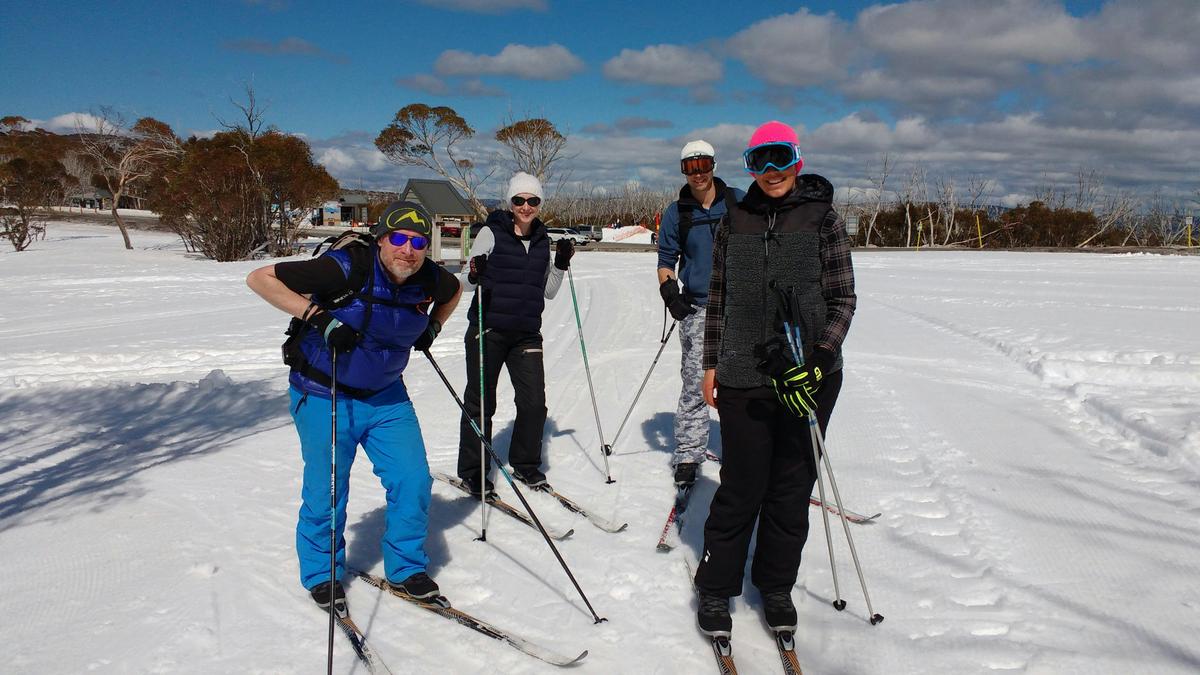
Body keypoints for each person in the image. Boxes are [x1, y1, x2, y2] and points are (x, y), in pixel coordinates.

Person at [246, 200, 462, 613]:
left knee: (413, 480)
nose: (408, 250)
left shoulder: (430, 278)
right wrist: (318, 317)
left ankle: (405, 568)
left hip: (387, 397)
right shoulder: (346, 268)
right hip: (323, 392)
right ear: (381, 239)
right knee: (328, 489)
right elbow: (260, 278)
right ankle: (322, 573)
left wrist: (433, 327)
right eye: (398, 239)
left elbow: (453, 294)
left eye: (419, 242)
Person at [693, 121, 857, 637]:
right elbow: (718, 295)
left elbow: (843, 299)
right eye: (759, 160)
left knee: (790, 486)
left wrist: (821, 356)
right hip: (744, 372)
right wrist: (711, 362)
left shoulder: (823, 219)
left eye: (780, 157)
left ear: (797, 160)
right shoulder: (734, 219)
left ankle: (776, 584)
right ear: (749, 167)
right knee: (742, 485)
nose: (771, 170)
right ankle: (716, 586)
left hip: (810, 374)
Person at [456, 172, 574, 496]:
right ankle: (473, 472)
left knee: (534, 403)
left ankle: (525, 464)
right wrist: (476, 273)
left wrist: (560, 264)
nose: (526, 206)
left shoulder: (542, 240)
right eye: (519, 200)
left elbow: (548, 291)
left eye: (532, 200)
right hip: (488, 329)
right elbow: (465, 281)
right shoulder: (491, 233)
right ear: (510, 202)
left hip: (526, 333)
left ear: (539, 203)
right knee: (481, 403)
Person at [655, 140, 744, 487]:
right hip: (698, 308)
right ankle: (689, 454)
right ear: (683, 171)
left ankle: (741, 448)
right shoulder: (678, 213)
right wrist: (670, 293)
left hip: (740, 307)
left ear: (713, 165)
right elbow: (666, 260)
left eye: (703, 165)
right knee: (695, 383)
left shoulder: (737, 202)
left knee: (739, 382)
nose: (698, 173)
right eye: (690, 167)